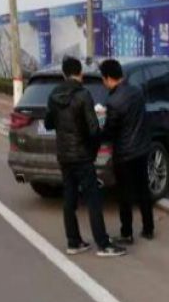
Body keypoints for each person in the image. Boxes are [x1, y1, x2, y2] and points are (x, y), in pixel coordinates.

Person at [44, 57, 126, 258]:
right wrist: (93, 150)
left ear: (64, 74)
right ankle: (103, 244)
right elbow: (93, 129)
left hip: (64, 155)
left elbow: (48, 123)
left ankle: (73, 242)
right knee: (93, 200)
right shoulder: (83, 95)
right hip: (82, 156)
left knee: (69, 198)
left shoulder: (54, 95)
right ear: (80, 73)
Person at [99, 59, 155, 243]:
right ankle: (148, 228)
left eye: (103, 79)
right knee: (143, 190)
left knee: (124, 196)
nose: (103, 83)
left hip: (124, 154)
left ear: (108, 78)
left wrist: (99, 126)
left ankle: (127, 233)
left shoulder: (113, 101)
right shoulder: (137, 92)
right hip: (141, 149)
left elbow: (110, 131)